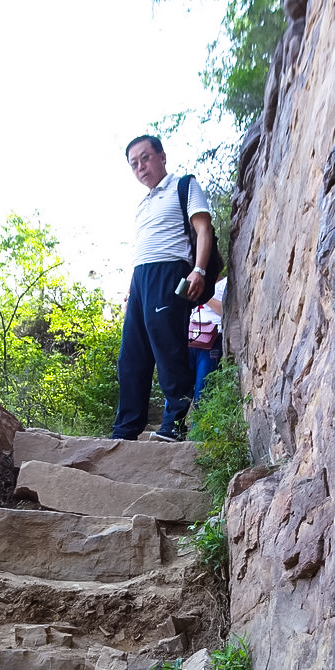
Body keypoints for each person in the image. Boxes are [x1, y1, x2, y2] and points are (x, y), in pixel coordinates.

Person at [111, 135, 213, 442]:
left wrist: (199, 269)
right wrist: (132, 293)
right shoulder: (142, 204)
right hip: (141, 279)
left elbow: (203, 228)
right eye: (134, 164)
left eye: (145, 158)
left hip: (170, 272)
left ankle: (174, 425)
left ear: (161, 157)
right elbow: (142, 251)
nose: (140, 167)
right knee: (131, 357)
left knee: (168, 349)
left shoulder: (183, 185)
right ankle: (126, 430)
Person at [190, 275, 226, 403]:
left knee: (203, 387)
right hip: (191, 338)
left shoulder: (225, 283)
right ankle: (174, 422)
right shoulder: (194, 283)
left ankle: (200, 423)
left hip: (211, 340)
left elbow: (224, 309)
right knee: (181, 384)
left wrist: (204, 296)